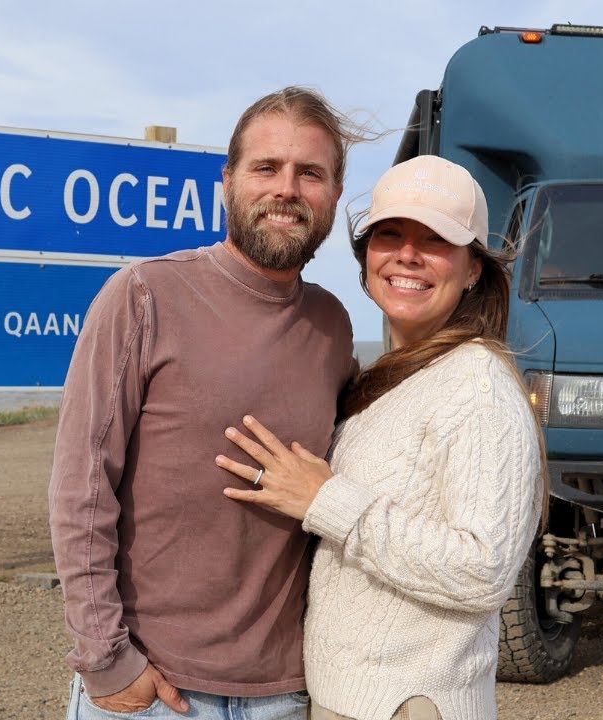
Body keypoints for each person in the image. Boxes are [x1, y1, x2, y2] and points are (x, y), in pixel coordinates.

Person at [49, 86, 366, 719]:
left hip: (287, 691)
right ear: (227, 181)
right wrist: (107, 660)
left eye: (311, 173)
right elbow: (82, 486)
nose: (287, 189)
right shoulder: (143, 295)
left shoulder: (332, 325)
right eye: (266, 168)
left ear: (333, 195)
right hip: (157, 689)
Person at [217, 155, 545, 720]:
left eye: (437, 239)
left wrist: (327, 501)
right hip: (356, 699)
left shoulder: (479, 387)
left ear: (472, 269)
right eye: (389, 234)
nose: (408, 255)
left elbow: (484, 570)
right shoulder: (398, 374)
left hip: (409, 704)